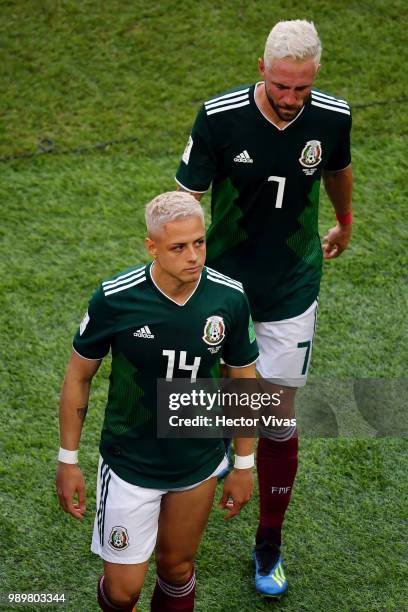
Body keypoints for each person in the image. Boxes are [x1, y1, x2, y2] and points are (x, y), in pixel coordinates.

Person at [175, 20, 353, 597]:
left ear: (315, 77)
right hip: (223, 281)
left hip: (292, 284)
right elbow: (187, 197)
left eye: (301, 87)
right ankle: (227, 447)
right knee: (213, 392)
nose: (290, 98)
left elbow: (337, 169)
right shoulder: (219, 116)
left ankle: (268, 543)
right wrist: (179, 263)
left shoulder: (333, 116)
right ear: (262, 68)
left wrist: (346, 221)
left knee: (277, 415)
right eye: (281, 85)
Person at [56, 191, 259, 611]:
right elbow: (79, 376)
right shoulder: (116, 298)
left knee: (177, 569)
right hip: (130, 461)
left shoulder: (229, 298)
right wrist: (67, 459)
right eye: (178, 247)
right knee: (122, 591)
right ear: (152, 246)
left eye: (199, 243)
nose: (194, 256)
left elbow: (244, 380)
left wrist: (243, 464)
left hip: (198, 460)